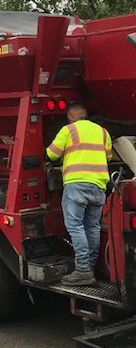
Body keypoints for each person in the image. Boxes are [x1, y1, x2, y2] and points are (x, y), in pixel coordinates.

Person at [46, 103, 113, 286]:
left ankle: (82, 270)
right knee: (92, 226)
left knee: (75, 226)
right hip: (99, 184)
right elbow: (108, 156)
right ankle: (89, 268)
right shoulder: (102, 132)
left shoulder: (68, 130)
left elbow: (51, 154)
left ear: (72, 116)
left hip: (76, 184)